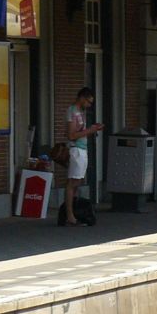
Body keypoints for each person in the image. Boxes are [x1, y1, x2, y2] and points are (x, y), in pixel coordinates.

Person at [64, 87, 103, 227]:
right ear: (82, 98)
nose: (89, 105)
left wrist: (92, 129)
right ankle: (69, 214)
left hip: (83, 148)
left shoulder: (81, 112)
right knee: (72, 182)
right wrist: (90, 130)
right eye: (88, 101)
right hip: (76, 150)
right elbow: (71, 135)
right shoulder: (72, 111)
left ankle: (73, 210)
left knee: (78, 182)